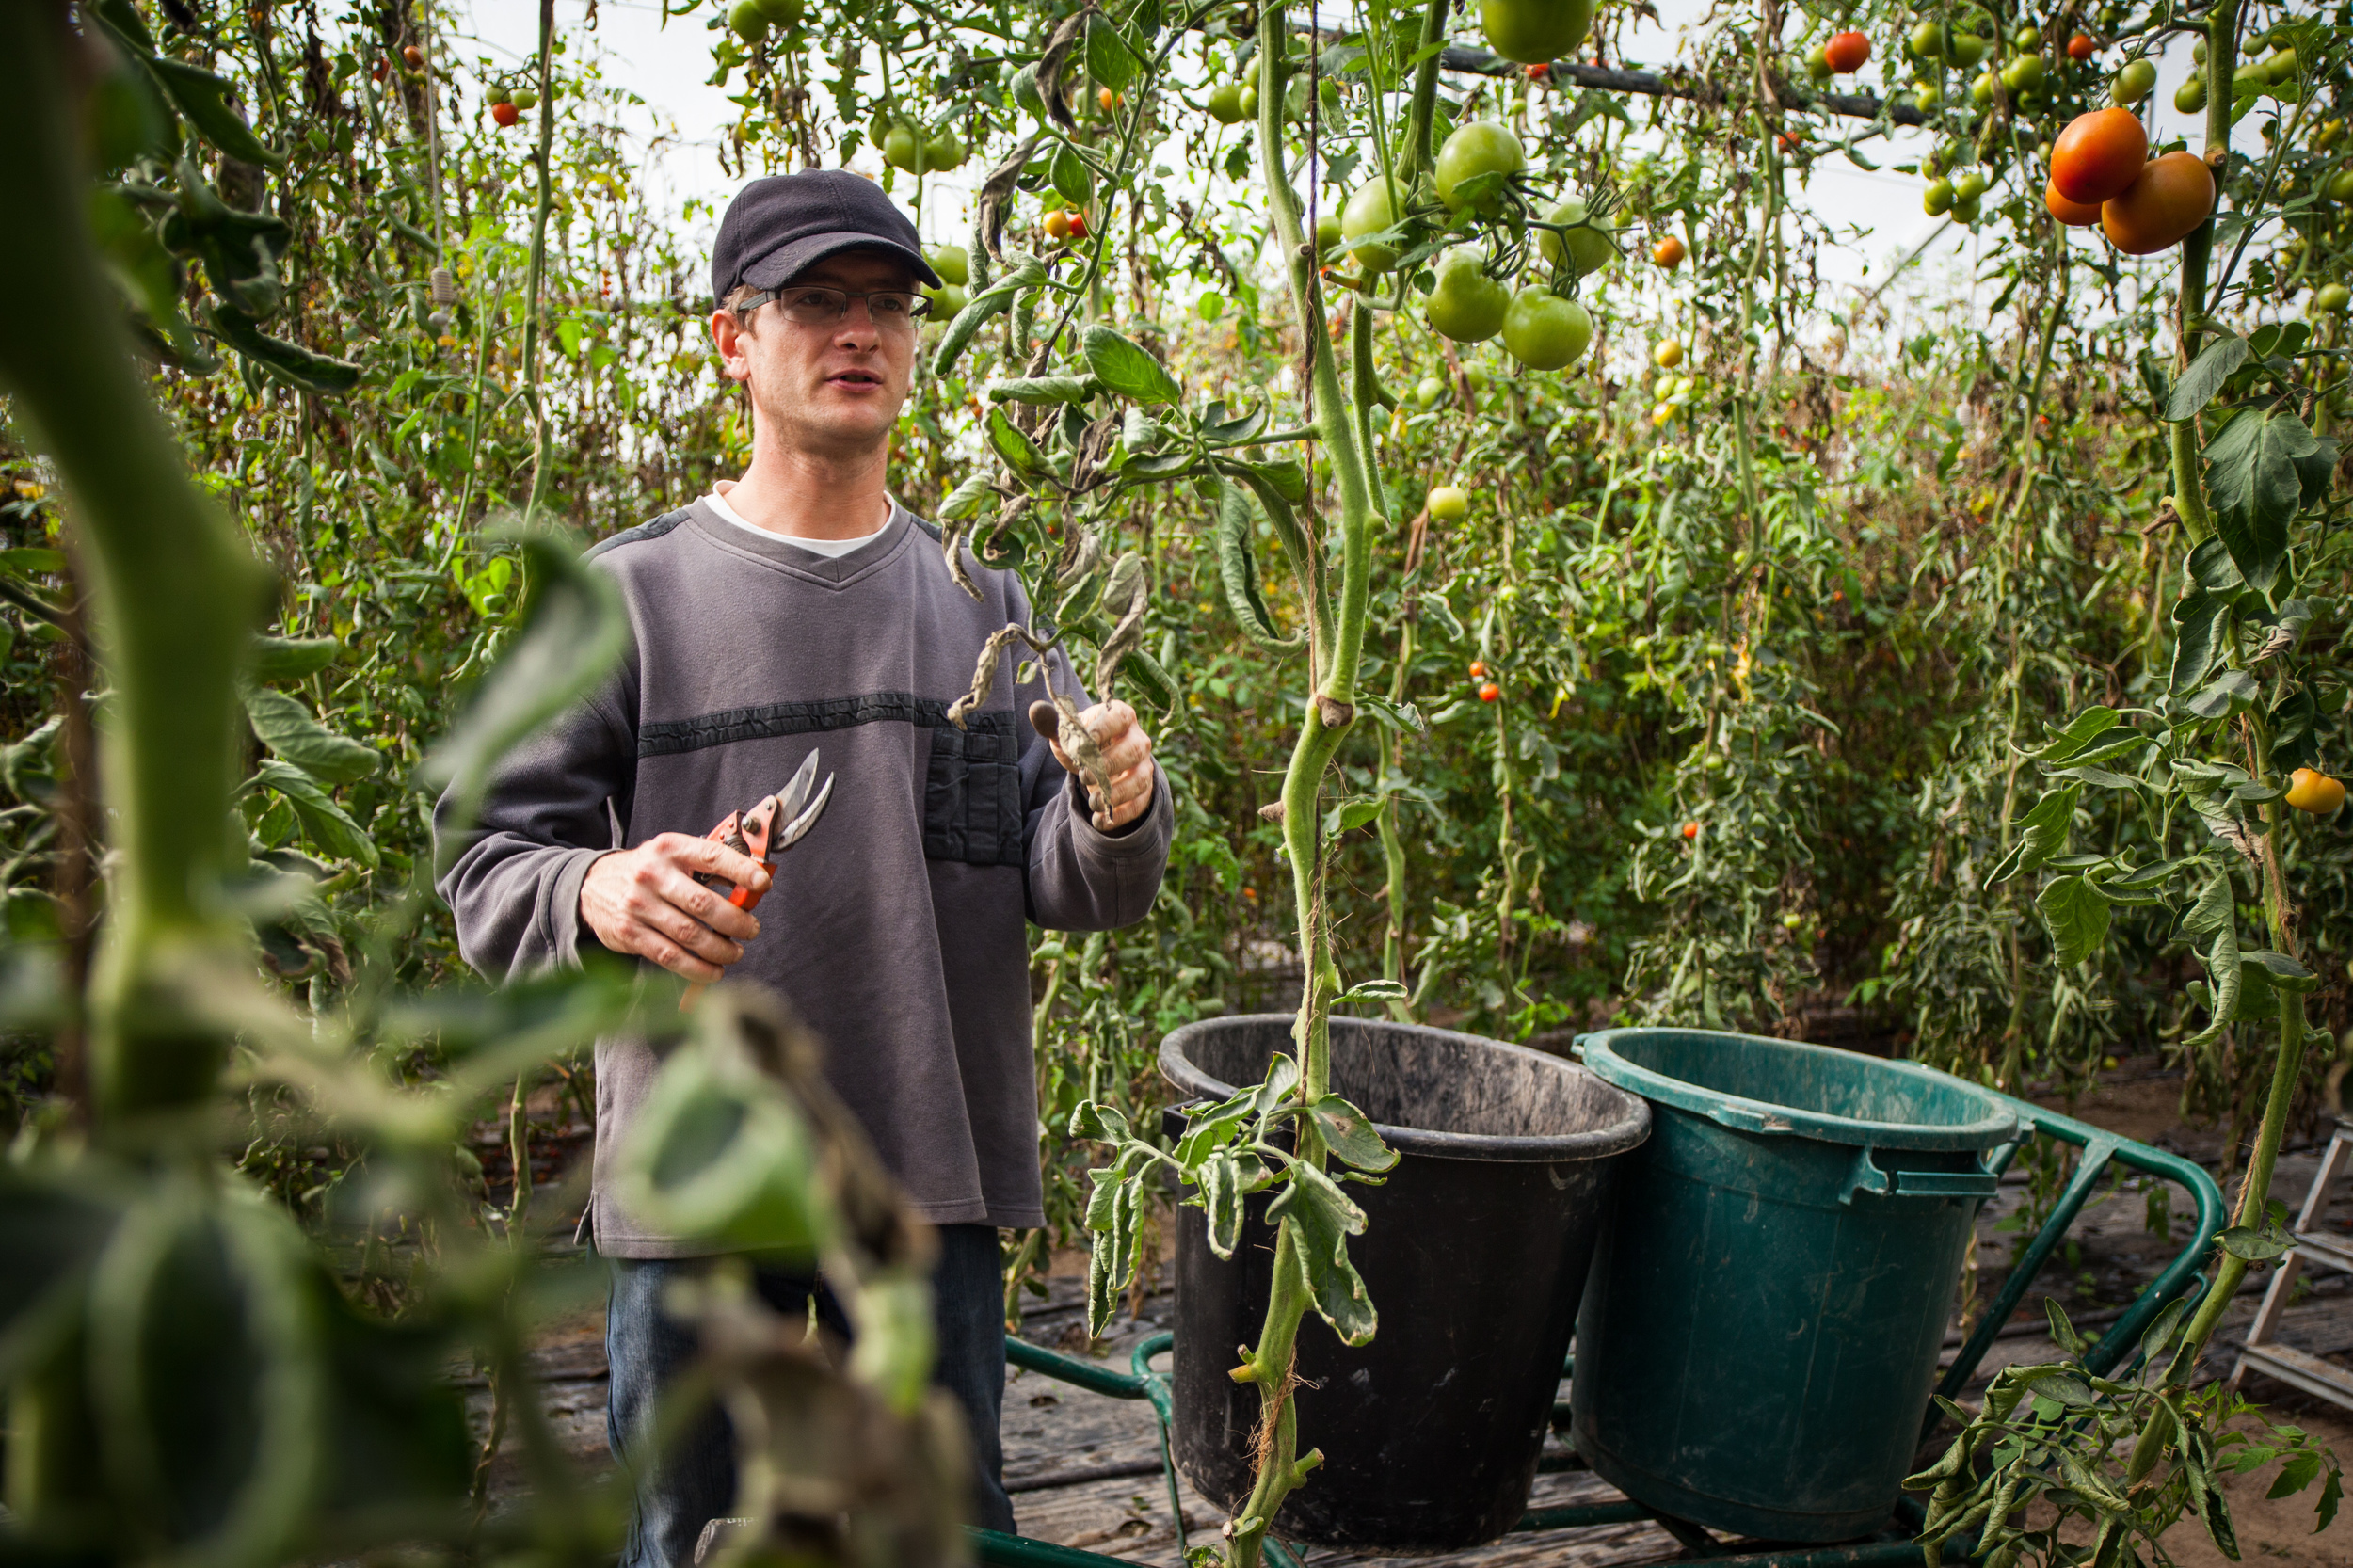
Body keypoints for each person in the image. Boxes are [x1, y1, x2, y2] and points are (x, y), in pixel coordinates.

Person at [434, 169, 1174, 1568]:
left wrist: (1118, 805)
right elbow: (484, 864)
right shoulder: (627, 598)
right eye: (818, 302)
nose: (862, 334)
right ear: (734, 340)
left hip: (929, 1179)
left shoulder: (978, 600)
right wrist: (596, 890)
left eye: (889, 307)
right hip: (703, 1184)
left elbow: (1079, 883)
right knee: (687, 1533)